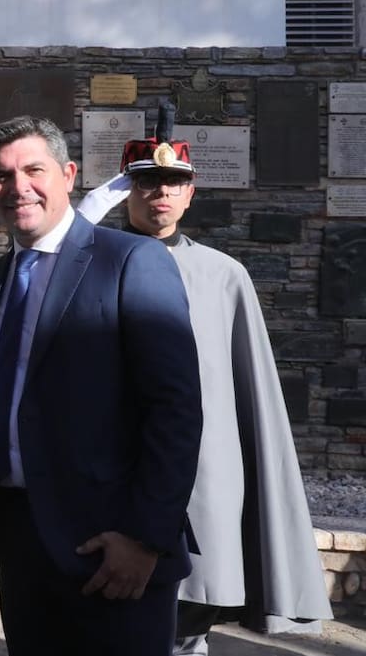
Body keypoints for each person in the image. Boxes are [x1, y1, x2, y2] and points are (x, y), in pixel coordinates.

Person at [78, 118, 333, 655]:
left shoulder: (224, 275)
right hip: (115, 469)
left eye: (174, 182)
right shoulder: (87, 266)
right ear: (127, 190)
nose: (161, 192)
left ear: (190, 193)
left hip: (205, 473)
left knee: (191, 615)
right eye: (147, 181)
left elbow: (250, 393)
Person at [0, 115, 203, 655]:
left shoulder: (131, 261)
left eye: (34, 170)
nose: (18, 187)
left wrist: (144, 538)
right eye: (1, 175)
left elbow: (175, 409)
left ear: (69, 175)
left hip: (113, 546)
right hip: (23, 545)